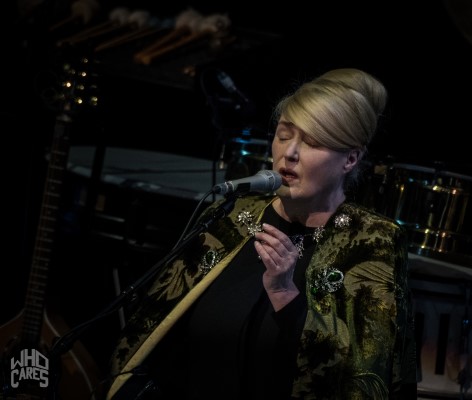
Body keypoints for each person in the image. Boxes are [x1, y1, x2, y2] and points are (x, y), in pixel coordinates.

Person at [104, 68, 417, 399]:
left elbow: (364, 376)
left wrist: (285, 295)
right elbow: (154, 333)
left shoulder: (371, 241)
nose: (290, 153)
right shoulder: (232, 216)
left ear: (350, 158)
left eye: (311, 142)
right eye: (284, 135)